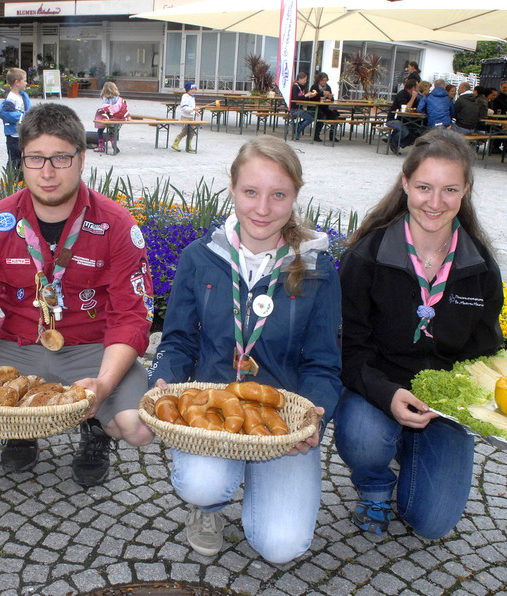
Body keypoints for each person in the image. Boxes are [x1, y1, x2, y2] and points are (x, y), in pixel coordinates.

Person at [0, 103, 153, 487]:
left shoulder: (116, 225)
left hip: (91, 348)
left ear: (81, 158)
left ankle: (94, 428)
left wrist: (104, 385)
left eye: (61, 157)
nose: (47, 172)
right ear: (21, 161)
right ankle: (18, 423)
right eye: (35, 158)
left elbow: (131, 316)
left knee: (138, 429)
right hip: (18, 346)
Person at [148, 136, 343, 563]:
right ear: (233, 188)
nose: (263, 208)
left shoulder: (317, 268)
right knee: (201, 484)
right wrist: (161, 378)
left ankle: (264, 480)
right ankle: (208, 506)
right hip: (212, 412)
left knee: (280, 545)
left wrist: (314, 415)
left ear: (295, 196)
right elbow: (177, 340)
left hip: (281, 422)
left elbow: (324, 362)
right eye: (251, 192)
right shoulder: (200, 258)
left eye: (279, 195)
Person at [334, 128, 504, 539]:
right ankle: (374, 485)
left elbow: (485, 352)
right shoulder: (368, 256)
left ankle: (413, 449)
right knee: (363, 436)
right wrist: (387, 394)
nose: (435, 202)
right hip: (377, 391)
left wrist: (454, 403)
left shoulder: (479, 266)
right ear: (406, 184)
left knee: (431, 523)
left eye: (450, 189)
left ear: (465, 191)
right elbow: (349, 349)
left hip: (444, 407)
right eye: (425, 187)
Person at [0, 67, 32, 172]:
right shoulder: (10, 99)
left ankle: (22, 178)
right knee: (14, 160)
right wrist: (22, 117)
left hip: (23, 135)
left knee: (24, 160)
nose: (26, 83)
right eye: (24, 80)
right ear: (17, 82)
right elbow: (6, 114)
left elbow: (29, 110)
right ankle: (11, 178)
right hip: (13, 136)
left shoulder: (23, 96)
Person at [386, 78, 419, 155]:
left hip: (405, 119)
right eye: (417, 86)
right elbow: (405, 108)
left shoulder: (413, 96)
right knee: (404, 131)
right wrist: (413, 98)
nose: (418, 88)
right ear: (413, 88)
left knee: (416, 130)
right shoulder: (402, 94)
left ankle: (398, 143)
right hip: (393, 119)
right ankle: (393, 141)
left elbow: (415, 108)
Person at [94, 81, 128, 154]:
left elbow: (105, 109)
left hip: (107, 118)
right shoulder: (119, 99)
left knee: (100, 131)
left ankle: (101, 146)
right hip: (117, 118)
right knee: (112, 132)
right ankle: (113, 142)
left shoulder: (105, 99)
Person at [309, 72, 340, 142]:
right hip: (315, 107)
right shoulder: (314, 87)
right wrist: (322, 94)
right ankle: (316, 135)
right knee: (322, 116)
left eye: (325, 80)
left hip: (324, 107)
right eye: (323, 80)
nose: (324, 82)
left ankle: (332, 135)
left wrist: (330, 97)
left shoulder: (328, 87)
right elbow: (312, 98)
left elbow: (331, 100)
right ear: (319, 80)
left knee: (335, 115)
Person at [172, 81, 201, 153]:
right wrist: (193, 109)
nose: (194, 91)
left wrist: (195, 111)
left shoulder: (192, 97)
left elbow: (192, 107)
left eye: (195, 89)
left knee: (192, 132)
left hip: (191, 117)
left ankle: (188, 145)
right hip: (185, 117)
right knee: (184, 131)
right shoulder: (185, 97)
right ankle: (175, 143)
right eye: (192, 89)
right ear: (188, 90)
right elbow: (184, 108)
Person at [289, 72, 317, 141]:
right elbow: (296, 98)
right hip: (294, 108)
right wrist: (306, 95)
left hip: (299, 108)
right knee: (309, 119)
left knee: (313, 116)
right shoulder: (295, 87)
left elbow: (302, 98)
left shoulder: (301, 87)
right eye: (304, 80)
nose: (305, 81)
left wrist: (309, 96)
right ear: (300, 79)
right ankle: (298, 131)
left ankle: (297, 125)